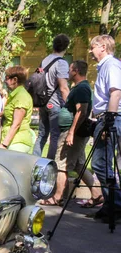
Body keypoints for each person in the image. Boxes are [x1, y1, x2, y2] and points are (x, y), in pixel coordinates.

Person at [40, 60, 103, 207]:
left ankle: (58, 197)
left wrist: (71, 133)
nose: (68, 72)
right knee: (79, 165)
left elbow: (81, 111)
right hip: (75, 132)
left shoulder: (82, 88)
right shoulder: (81, 87)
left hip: (72, 132)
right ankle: (97, 195)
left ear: (75, 71)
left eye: (70, 69)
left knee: (62, 165)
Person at [88, 35, 121, 222]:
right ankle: (111, 205)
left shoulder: (111, 65)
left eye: (92, 47)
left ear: (102, 47)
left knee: (100, 163)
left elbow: (115, 92)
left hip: (110, 118)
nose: (91, 52)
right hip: (108, 117)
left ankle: (115, 205)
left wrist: (109, 120)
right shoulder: (107, 66)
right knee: (104, 163)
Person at [33, 34, 71, 159]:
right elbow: (63, 87)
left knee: (42, 135)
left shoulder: (45, 60)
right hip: (55, 103)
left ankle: (34, 162)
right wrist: (70, 105)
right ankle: (50, 165)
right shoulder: (61, 63)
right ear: (66, 47)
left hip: (43, 102)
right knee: (55, 136)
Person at [0, 66, 34, 153]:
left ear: (14, 80)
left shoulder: (21, 96)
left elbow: (16, 124)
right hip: (12, 141)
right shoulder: (15, 95)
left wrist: (4, 145)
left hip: (17, 143)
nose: (5, 81)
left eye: (6, 78)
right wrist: (1, 114)